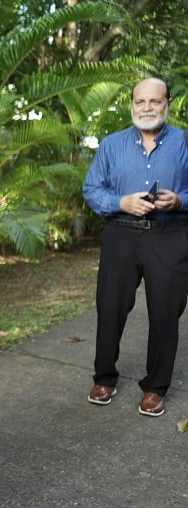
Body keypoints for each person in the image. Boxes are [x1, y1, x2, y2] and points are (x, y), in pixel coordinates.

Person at [82, 77, 188, 417]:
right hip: (121, 234)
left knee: (165, 313)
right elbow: (92, 189)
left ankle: (156, 387)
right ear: (131, 105)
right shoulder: (111, 145)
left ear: (167, 103)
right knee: (110, 308)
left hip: (169, 236)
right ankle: (104, 378)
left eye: (154, 101)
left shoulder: (185, 142)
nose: (147, 108)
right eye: (140, 101)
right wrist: (121, 202)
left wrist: (180, 201)